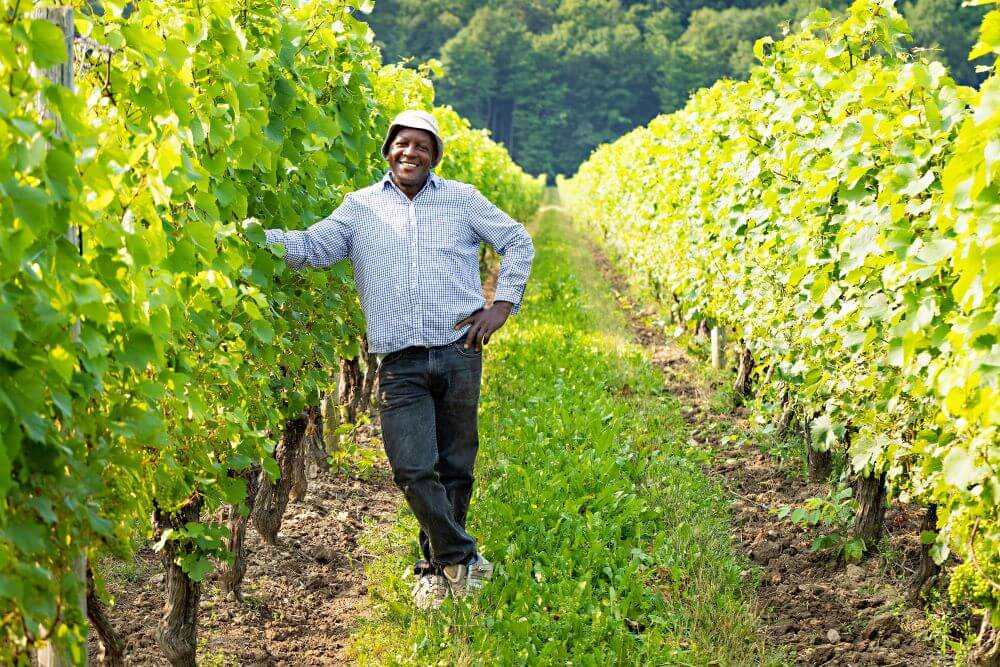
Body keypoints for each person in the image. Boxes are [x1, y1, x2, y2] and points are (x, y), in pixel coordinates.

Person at [263, 110, 534, 609]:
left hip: (459, 351)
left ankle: (436, 570)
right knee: (411, 468)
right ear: (388, 150)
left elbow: (518, 240)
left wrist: (502, 304)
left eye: (422, 146)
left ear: (434, 156)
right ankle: (463, 557)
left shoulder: (462, 199)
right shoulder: (358, 208)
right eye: (402, 144)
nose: (411, 152)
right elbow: (310, 248)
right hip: (399, 363)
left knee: (455, 465)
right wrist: (250, 240)